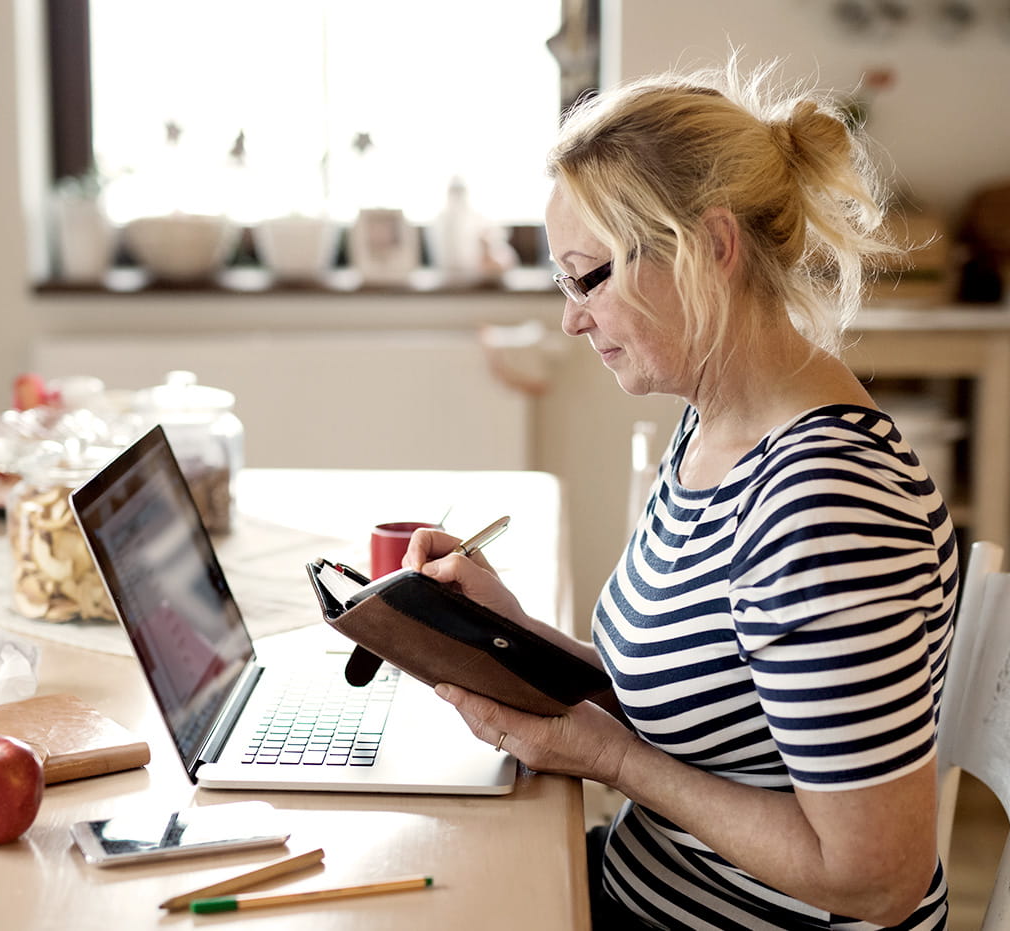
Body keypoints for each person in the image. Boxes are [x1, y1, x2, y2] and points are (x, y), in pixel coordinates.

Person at [405, 56, 955, 930]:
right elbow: (710, 702)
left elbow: (875, 878)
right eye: (562, 282)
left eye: (590, 277)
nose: (572, 317)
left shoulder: (824, 503)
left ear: (713, 247)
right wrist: (509, 633)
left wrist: (611, 760)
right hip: (648, 890)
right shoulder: (716, 424)